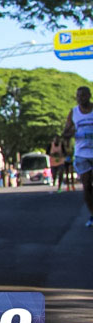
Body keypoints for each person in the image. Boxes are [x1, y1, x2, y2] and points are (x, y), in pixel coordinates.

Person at [63, 85, 93, 227]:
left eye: (83, 95)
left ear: (89, 96)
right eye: (78, 96)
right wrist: (72, 133)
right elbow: (66, 134)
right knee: (87, 186)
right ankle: (92, 215)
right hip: (82, 154)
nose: (80, 98)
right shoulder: (74, 113)